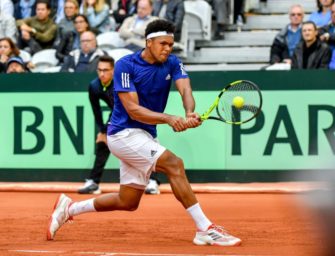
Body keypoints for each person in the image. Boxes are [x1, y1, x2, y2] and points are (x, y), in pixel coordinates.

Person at [47, 19, 242, 247]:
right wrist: (170, 118)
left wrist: (189, 112)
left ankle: (69, 208)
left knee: (128, 201)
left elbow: (185, 88)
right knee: (174, 164)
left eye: (171, 44)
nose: (168, 48)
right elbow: (133, 109)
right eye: (163, 44)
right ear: (149, 42)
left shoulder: (172, 62)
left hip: (145, 135)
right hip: (123, 134)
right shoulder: (125, 65)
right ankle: (204, 229)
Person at [78, 55, 115, 194]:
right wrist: (102, 130)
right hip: (118, 115)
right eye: (99, 70)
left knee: (143, 145)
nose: (102, 74)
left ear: (113, 71)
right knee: (103, 144)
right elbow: (96, 110)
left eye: (105, 70)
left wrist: (106, 131)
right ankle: (94, 182)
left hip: (136, 113)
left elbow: (119, 109)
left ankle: (152, 181)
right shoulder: (94, 86)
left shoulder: (120, 84)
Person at [319, 2, 335, 69]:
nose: (334, 14)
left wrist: (328, 36)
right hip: (327, 66)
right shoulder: (325, 28)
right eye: (332, 12)